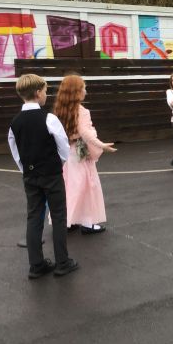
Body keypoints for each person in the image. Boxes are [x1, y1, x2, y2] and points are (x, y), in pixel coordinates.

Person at [8, 74, 79, 278]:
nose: (46, 94)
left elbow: (16, 152)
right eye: (46, 91)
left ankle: (36, 265)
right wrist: (57, 165)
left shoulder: (14, 123)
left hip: (30, 177)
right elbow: (63, 148)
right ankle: (62, 262)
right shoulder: (49, 118)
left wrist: (26, 170)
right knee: (58, 216)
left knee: (33, 217)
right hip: (51, 174)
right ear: (38, 93)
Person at [53, 74, 117, 234]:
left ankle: (69, 220)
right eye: (83, 88)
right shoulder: (81, 111)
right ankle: (87, 223)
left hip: (67, 153)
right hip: (80, 153)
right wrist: (102, 145)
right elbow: (85, 133)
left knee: (69, 187)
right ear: (76, 91)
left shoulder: (60, 110)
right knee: (87, 186)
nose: (85, 91)